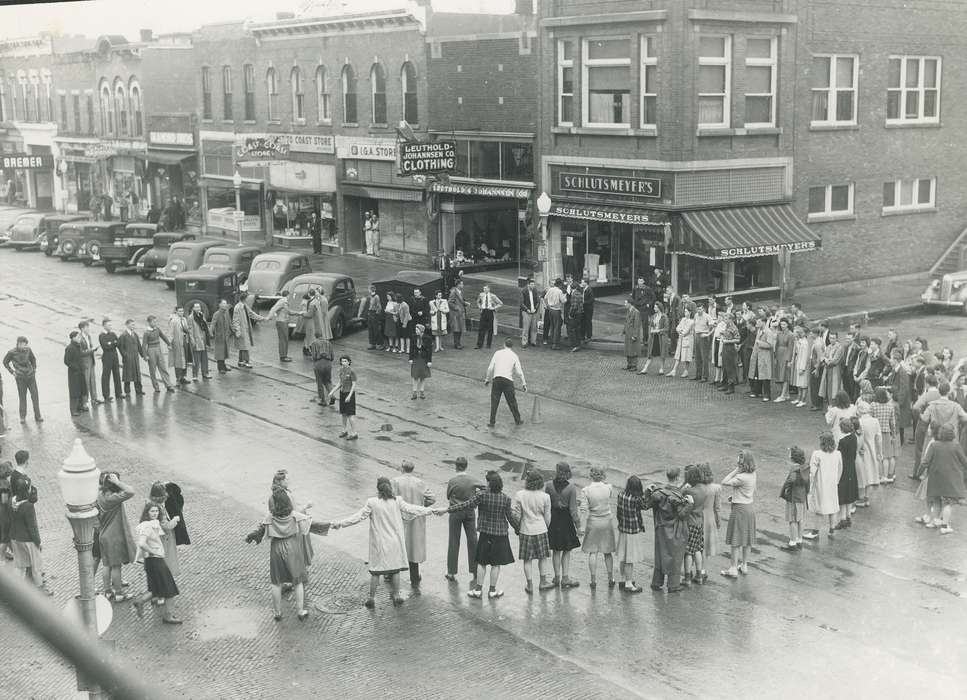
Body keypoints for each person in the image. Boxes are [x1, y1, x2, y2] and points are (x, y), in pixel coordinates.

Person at [330, 477, 442, 608]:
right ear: (390, 487)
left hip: (379, 544)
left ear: (378, 488)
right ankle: (396, 595)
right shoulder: (397, 501)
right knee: (395, 570)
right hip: (394, 542)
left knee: (376, 571)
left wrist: (340, 523)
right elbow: (413, 509)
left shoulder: (372, 502)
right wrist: (432, 510)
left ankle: (371, 598)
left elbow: (357, 517)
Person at [245, 487, 328, 620]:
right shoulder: (294, 515)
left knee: (276, 582)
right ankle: (300, 611)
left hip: (276, 548)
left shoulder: (270, 516)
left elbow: (260, 529)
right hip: (292, 547)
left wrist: (254, 536)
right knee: (298, 581)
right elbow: (312, 524)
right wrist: (331, 525)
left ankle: (277, 613)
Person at [447, 471, 517, 600]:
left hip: (485, 534)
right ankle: (492, 591)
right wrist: (518, 529)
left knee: (482, 562)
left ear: (489, 483)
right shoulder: (506, 499)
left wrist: (448, 510)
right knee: (496, 564)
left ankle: (478, 590)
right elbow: (510, 517)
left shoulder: (482, 496)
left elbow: (465, 505)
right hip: (500, 535)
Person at [130, 501, 183, 624]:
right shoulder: (148, 526)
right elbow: (142, 543)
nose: (155, 513)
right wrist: (154, 551)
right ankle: (168, 616)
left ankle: (140, 601)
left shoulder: (150, 524)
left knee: (155, 589)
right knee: (170, 590)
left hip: (150, 562)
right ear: (147, 513)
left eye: (156, 511)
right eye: (152, 511)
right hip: (156, 561)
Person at [644, 467, 694, 592]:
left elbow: (645, 505)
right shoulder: (677, 497)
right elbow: (682, 514)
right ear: (677, 478)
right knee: (675, 557)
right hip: (675, 530)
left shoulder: (659, 493)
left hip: (661, 529)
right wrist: (690, 504)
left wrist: (646, 492)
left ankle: (657, 582)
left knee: (661, 555)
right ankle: (673, 585)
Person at [391, 461, 436, 587]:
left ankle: (390, 574)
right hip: (416, 518)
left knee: (396, 545)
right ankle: (414, 577)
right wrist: (422, 507)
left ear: (402, 468)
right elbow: (432, 498)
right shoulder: (420, 483)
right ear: (413, 469)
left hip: (399, 517)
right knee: (414, 547)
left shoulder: (395, 481)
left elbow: (391, 498)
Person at [511, 470, 554, 594]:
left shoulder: (520, 495)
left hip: (526, 530)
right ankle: (543, 582)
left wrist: (517, 528)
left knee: (527, 560)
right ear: (540, 482)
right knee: (543, 558)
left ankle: (530, 585)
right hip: (541, 529)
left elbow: (517, 515)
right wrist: (546, 527)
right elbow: (547, 517)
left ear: (527, 481)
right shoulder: (545, 497)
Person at [97, 472, 137, 602]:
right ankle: (119, 594)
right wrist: (118, 483)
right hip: (114, 536)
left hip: (103, 535)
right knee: (116, 566)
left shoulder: (100, 496)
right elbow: (131, 492)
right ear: (112, 484)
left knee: (106, 565)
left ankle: (108, 591)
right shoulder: (113, 498)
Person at [920, 424, 967, 534]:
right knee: (948, 503)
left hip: (935, 478)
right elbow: (964, 461)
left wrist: (919, 473)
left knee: (936, 500)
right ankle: (945, 526)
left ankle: (934, 521)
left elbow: (925, 462)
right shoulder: (956, 446)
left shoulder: (934, 445)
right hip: (950, 479)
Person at [445, 457, 484, 585]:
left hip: (455, 512)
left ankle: (451, 572)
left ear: (456, 466)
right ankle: (474, 571)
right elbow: (485, 488)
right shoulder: (473, 480)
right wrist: (476, 497)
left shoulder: (452, 480)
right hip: (469, 512)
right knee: (473, 540)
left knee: (454, 540)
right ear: (466, 466)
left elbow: (448, 495)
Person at [720, 450, 757, 579]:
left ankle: (733, 568)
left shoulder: (741, 477)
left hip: (739, 510)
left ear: (742, 464)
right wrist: (735, 496)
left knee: (736, 540)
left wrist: (736, 469)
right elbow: (746, 490)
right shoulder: (753, 474)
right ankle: (744, 565)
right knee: (747, 540)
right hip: (749, 507)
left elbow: (724, 481)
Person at [9, 480, 50, 595]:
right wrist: (38, 542)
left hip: (15, 537)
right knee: (36, 565)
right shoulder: (28, 506)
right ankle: (40, 590)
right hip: (28, 540)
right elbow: (32, 527)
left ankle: (16, 588)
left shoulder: (11, 501)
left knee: (20, 565)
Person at [544, 462, 581, 588]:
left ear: (556, 471)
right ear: (568, 473)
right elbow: (573, 510)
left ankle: (556, 577)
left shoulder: (549, 485)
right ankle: (565, 578)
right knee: (566, 550)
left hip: (553, 519)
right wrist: (578, 526)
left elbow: (546, 505)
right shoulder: (571, 488)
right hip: (566, 520)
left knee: (556, 550)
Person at [578, 467, 616, 589]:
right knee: (607, 552)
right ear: (603, 476)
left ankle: (593, 580)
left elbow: (584, 510)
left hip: (593, 521)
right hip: (606, 520)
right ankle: (611, 578)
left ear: (591, 476)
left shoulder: (586, 490)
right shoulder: (609, 488)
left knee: (593, 552)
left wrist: (581, 527)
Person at [803, 432, 843, 541]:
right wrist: (836, 481)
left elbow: (812, 471)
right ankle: (832, 529)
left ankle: (815, 531)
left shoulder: (817, 454)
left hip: (820, 484)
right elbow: (840, 469)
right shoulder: (837, 454)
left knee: (818, 508)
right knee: (833, 507)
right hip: (832, 484)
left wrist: (810, 484)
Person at [683, 463, 718, 583]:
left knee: (688, 552)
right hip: (699, 522)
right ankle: (699, 575)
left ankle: (687, 577)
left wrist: (684, 486)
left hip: (690, 523)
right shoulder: (704, 489)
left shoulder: (689, 491)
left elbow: (679, 494)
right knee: (698, 549)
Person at [615, 475, 647, 593]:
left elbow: (618, 512)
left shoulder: (621, 495)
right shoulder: (636, 499)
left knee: (623, 557)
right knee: (630, 559)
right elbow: (645, 505)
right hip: (632, 530)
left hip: (623, 529)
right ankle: (629, 583)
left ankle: (624, 580)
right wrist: (648, 492)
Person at [485, 338, 526, 427]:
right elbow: (519, 371)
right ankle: (518, 420)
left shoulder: (497, 353)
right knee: (512, 402)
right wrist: (524, 383)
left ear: (504, 344)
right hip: (508, 380)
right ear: (512, 346)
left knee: (494, 402)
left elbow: (490, 368)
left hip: (497, 379)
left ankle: (492, 422)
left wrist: (487, 379)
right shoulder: (514, 356)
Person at [3, 336, 42, 423]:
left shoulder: (28, 350)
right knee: (22, 397)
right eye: (23, 345)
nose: (25, 347)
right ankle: (22, 417)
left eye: (26, 345)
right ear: (19, 344)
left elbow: (33, 359)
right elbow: (5, 362)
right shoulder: (11, 352)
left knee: (35, 396)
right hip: (20, 378)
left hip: (31, 377)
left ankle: (38, 416)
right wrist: (12, 372)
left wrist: (34, 369)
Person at [780, 447, 811, 550]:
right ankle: (799, 540)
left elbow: (791, 480)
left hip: (793, 498)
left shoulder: (794, 469)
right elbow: (808, 484)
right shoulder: (805, 468)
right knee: (800, 519)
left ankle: (792, 542)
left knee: (792, 520)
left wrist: (786, 488)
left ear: (793, 458)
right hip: (802, 497)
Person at [855, 401, 882, 508]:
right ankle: (866, 497)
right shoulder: (875, 421)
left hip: (862, 450)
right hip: (872, 448)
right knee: (870, 471)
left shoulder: (859, 422)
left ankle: (861, 498)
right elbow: (879, 438)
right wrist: (880, 452)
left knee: (862, 474)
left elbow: (858, 437)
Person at [835, 418, 860, 529]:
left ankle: (843, 519)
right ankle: (848, 516)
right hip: (851, 467)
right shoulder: (854, 437)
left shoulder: (843, 441)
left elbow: (839, 457)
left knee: (843, 495)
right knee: (849, 494)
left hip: (844, 469)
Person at [327, 355, 358, 440]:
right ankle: (344, 430)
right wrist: (332, 391)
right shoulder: (340, 370)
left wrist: (349, 395)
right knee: (343, 413)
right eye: (342, 361)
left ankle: (354, 433)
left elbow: (354, 385)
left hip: (349, 394)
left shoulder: (352, 371)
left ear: (349, 362)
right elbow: (340, 383)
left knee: (350, 415)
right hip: (342, 393)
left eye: (345, 361)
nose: (343, 363)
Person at [233, 292, 266, 368]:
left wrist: (262, 318)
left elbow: (251, 314)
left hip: (245, 328)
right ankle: (246, 361)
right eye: (248, 298)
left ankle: (241, 361)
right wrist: (237, 330)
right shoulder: (238, 307)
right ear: (245, 299)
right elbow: (235, 320)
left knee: (243, 345)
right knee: (245, 346)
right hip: (242, 329)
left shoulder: (244, 306)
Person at [142, 315, 175, 393]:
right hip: (151, 350)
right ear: (149, 322)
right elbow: (144, 345)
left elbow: (163, 336)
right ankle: (156, 387)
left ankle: (168, 385)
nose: (155, 323)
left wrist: (169, 344)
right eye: (154, 322)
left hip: (158, 349)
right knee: (152, 370)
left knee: (163, 367)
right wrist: (145, 355)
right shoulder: (146, 332)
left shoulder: (157, 329)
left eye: (156, 321)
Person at [748, 319, 776, 401]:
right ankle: (757, 391)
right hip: (757, 355)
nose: (757, 323)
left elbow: (770, 345)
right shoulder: (759, 331)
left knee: (765, 375)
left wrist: (760, 343)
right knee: (757, 373)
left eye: (758, 322)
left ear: (763, 322)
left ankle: (767, 394)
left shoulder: (768, 332)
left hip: (764, 356)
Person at [639, 302, 669, 376]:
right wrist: (652, 329)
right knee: (650, 353)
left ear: (659, 308)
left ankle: (661, 369)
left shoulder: (664, 317)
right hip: (654, 337)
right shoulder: (654, 316)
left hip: (661, 337)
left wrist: (658, 330)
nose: (654, 308)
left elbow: (666, 328)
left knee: (662, 353)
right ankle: (645, 368)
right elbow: (651, 325)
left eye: (655, 307)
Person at [64, 331, 89, 416]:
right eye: (78, 337)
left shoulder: (78, 346)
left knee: (81, 389)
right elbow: (66, 361)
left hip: (80, 371)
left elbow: (80, 356)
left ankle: (80, 406)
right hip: (74, 373)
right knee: (74, 391)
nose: (80, 338)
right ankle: (73, 410)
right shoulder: (69, 348)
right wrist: (76, 368)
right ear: (73, 338)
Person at [117, 319, 145, 396]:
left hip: (135, 358)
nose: (134, 326)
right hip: (128, 358)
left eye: (134, 325)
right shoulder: (123, 335)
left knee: (137, 374)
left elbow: (139, 346)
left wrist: (143, 355)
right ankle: (127, 391)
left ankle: (138, 390)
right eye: (132, 325)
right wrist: (125, 355)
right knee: (127, 375)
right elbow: (119, 346)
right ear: (127, 325)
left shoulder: (135, 334)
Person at [78, 320, 102, 406]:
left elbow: (90, 346)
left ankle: (94, 399)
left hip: (91, 361)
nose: (88, 329)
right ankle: (85, 401)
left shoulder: (89, 336)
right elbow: (80, 353)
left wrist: (93, 348)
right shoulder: (79, 338)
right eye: (87, 327)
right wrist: (91, 350)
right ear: (82, 328)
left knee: (92, 381)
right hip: (85, 363)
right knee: (86, 383)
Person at [819, 330, 846, 404]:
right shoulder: (828, 346)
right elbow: (822, 356)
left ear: (837, 338)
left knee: (835, 387)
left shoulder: (839, 347)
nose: (832, 340)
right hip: (827, 370)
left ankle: (835, 405)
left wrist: (826, 360)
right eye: (830, 338)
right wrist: (826, 359)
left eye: (833, 338)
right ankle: (829, 404)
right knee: (827, 386)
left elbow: (835, 361)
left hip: (835, 370)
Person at [166, 306, 191, 386]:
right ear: (176, 312)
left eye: (182, 311)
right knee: (178, 360)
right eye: (179, 311)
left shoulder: (184, 319)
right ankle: (178, 378)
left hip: (184, 341)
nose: (181, 312)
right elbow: (170, 333)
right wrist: (169, 343)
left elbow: (187, 330)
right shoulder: (173, 321)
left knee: (185, 359)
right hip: (177, 342)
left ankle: (183, 377)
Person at [309, 333, 334, 406]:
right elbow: (332, 357)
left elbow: (313, 356)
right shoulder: (329, 343)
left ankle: (323, 400)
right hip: (328, 364)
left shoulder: (314, 343)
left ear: (315, 336)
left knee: (319, 382)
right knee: (328, 381)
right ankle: (332, 395)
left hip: (319, 364)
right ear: (322, 335)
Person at [187, 303, 212, 379]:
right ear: (193, 308)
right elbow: (190, 330)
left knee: (204, 358)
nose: (198, 308)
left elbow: (205, 326)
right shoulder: (190, 317)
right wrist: (192, 340)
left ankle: (205, 373)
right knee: (196, 358)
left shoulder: (201, 315)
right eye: (196, 307)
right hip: (196, 339)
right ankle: (195, 375)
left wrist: (208, 334)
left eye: (199, 307)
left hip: (203, 339)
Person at [789, 325, 811, 407]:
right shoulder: (799, 341)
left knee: (803, 384)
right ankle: (799, 398)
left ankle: (803, 400)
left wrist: (802, 368)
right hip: (798, 363)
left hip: (802, 365)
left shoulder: (805, 343)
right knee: (799, 383)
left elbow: (804, 356)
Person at [408, 324, 432, 400]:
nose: (415, 331)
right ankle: (414, 392)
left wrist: (429, 361)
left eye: (417, 330)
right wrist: (410, 358)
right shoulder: (414, 337)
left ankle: (422, 392)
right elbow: (411, 348)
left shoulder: (427, 338)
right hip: (416, 358)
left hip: (423, 359)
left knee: (423, 376)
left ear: (421, 330)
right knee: (415, 376)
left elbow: (429, 351)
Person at [773, 318, 794, 402]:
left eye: (784, 324)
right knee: (779, 374)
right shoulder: (779, 333)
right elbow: (776, 345)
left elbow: (790, 348)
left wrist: (789, 360)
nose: (782, 326)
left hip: (786, 355)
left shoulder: (790, 334)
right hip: (779, 355)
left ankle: (782, 395)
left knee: (785, 375)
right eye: (781, 324)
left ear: (787, 325)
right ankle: (786, 394)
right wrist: (775, 356)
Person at [669, 308, 695, 378]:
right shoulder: (683, 319)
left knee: (687, 355)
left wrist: (681, 332)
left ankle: (686, 371)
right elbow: (677, 328)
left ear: (690, 312)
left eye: (686, 311)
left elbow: (686, 331)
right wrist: (680, 331)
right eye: (685, 311)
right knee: (678, 355)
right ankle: (674, 370)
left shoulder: (692, 321)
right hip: (681, 339)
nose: (685, 313)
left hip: (688, 340)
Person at [267, 291, 292, 362]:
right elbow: (274, 308)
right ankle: (283, 356)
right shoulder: (283, 301)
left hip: (283, 322)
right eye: (289, 295)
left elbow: (288, 311)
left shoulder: (283, 301)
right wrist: (269, 317)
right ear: (288, 295)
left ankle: (284, 355)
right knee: (283, 339)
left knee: (284, 339)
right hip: (282, 322)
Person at [475, 285, 502, 350]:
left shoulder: (493, 296)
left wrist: (494, 308)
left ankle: (488, 344)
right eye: (484, 288)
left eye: (486, 288)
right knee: (481, 328)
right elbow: (478, 301)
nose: (484, 290)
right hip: (483, 312)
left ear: (489, 289)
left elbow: (500, 303)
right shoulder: (481, 295)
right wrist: (480, 307)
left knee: (490, 329)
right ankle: (479, 344)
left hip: (490, 312)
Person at [210, 300, 233, 375]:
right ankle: (220, 368)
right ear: (219, 305)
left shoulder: (226, 312)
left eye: (225, 303)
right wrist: (211, 332)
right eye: (223, 303)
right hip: (219, 337)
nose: (225, 305)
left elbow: (229, 322)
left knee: (224, 352)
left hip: (226, 336)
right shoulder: (216, 314)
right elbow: (213, 324)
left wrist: (233, 330)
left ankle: (224, 366)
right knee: (220, 353)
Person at [542, 279, 566, 350]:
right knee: (557, 327)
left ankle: (552, 341)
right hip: (556, 309)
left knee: (552, 326)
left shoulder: (550, 289)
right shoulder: (559, 291)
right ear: (560, 285)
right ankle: (555, 344)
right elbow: (563, 301)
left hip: (550, 309)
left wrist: (548, 305)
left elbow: (545, 298)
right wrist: (565, 297)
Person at [622, 298, 643, 372]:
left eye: (625, 303)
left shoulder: (636, 312)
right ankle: (629, 364)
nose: (624, 304)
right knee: (628, 349)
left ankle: (634, 365)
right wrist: (624, 330)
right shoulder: (628, 311)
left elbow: (637, 325)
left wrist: (635, 335)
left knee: (633, 349)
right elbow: (626, 321)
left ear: (629, 303)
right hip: (628, 333)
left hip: (632, 334)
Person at [520, 280, 541, 349]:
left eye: (533, 284)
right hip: (526, 312)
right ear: (528, 285)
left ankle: (533, 341)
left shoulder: (535, 291)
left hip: (534, 312)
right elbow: (521, 303)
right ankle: (524, 342)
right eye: (531, 284)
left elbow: (538, 301)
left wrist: (535, 308)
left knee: (534, 327)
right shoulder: (524, 291)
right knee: (526, 328)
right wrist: (527, 309)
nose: (533, 286)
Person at [448, 280, 468, 350]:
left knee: (460, 328)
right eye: (462, 284)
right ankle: (456, 344)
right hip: (455, 314)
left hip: (460, 313)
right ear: (458, 285)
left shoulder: (460, 292)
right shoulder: (453, 292)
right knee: (456, 329)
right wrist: (457, 308)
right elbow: (450, 302)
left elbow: (461, 301)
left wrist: (465, 303)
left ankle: (458, 343)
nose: (463, 285)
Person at [565, 281, 585, 353]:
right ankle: (578, 344)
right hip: (579, 314)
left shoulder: (574, 294)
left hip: (575, 314)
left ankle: (575, 345)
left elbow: (574, 306)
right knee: (577, 329)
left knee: (571, 329)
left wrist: (570, 315)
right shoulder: (580, 293)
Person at [364, 285, 384, 350]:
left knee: (376, 330)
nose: (368, 290)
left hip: (374, 314)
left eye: (368, 289)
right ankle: (372, 343)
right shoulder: (370, 297)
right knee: (370, 329)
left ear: (371, 290)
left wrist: (376, 314)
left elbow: (379, 307)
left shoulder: (376, 297)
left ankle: (380, 344)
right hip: (370, 313)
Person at [581, 277, 595, 343]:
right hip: (584, 308)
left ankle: (589, 336)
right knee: (584, 322)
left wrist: (584, 302)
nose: (581, 283)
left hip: (588, 309)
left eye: (582, 282)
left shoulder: (589, 290)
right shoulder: (584, 289)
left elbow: (592, 300)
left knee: (588, 322)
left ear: (586, 283)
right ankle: (583, 335)